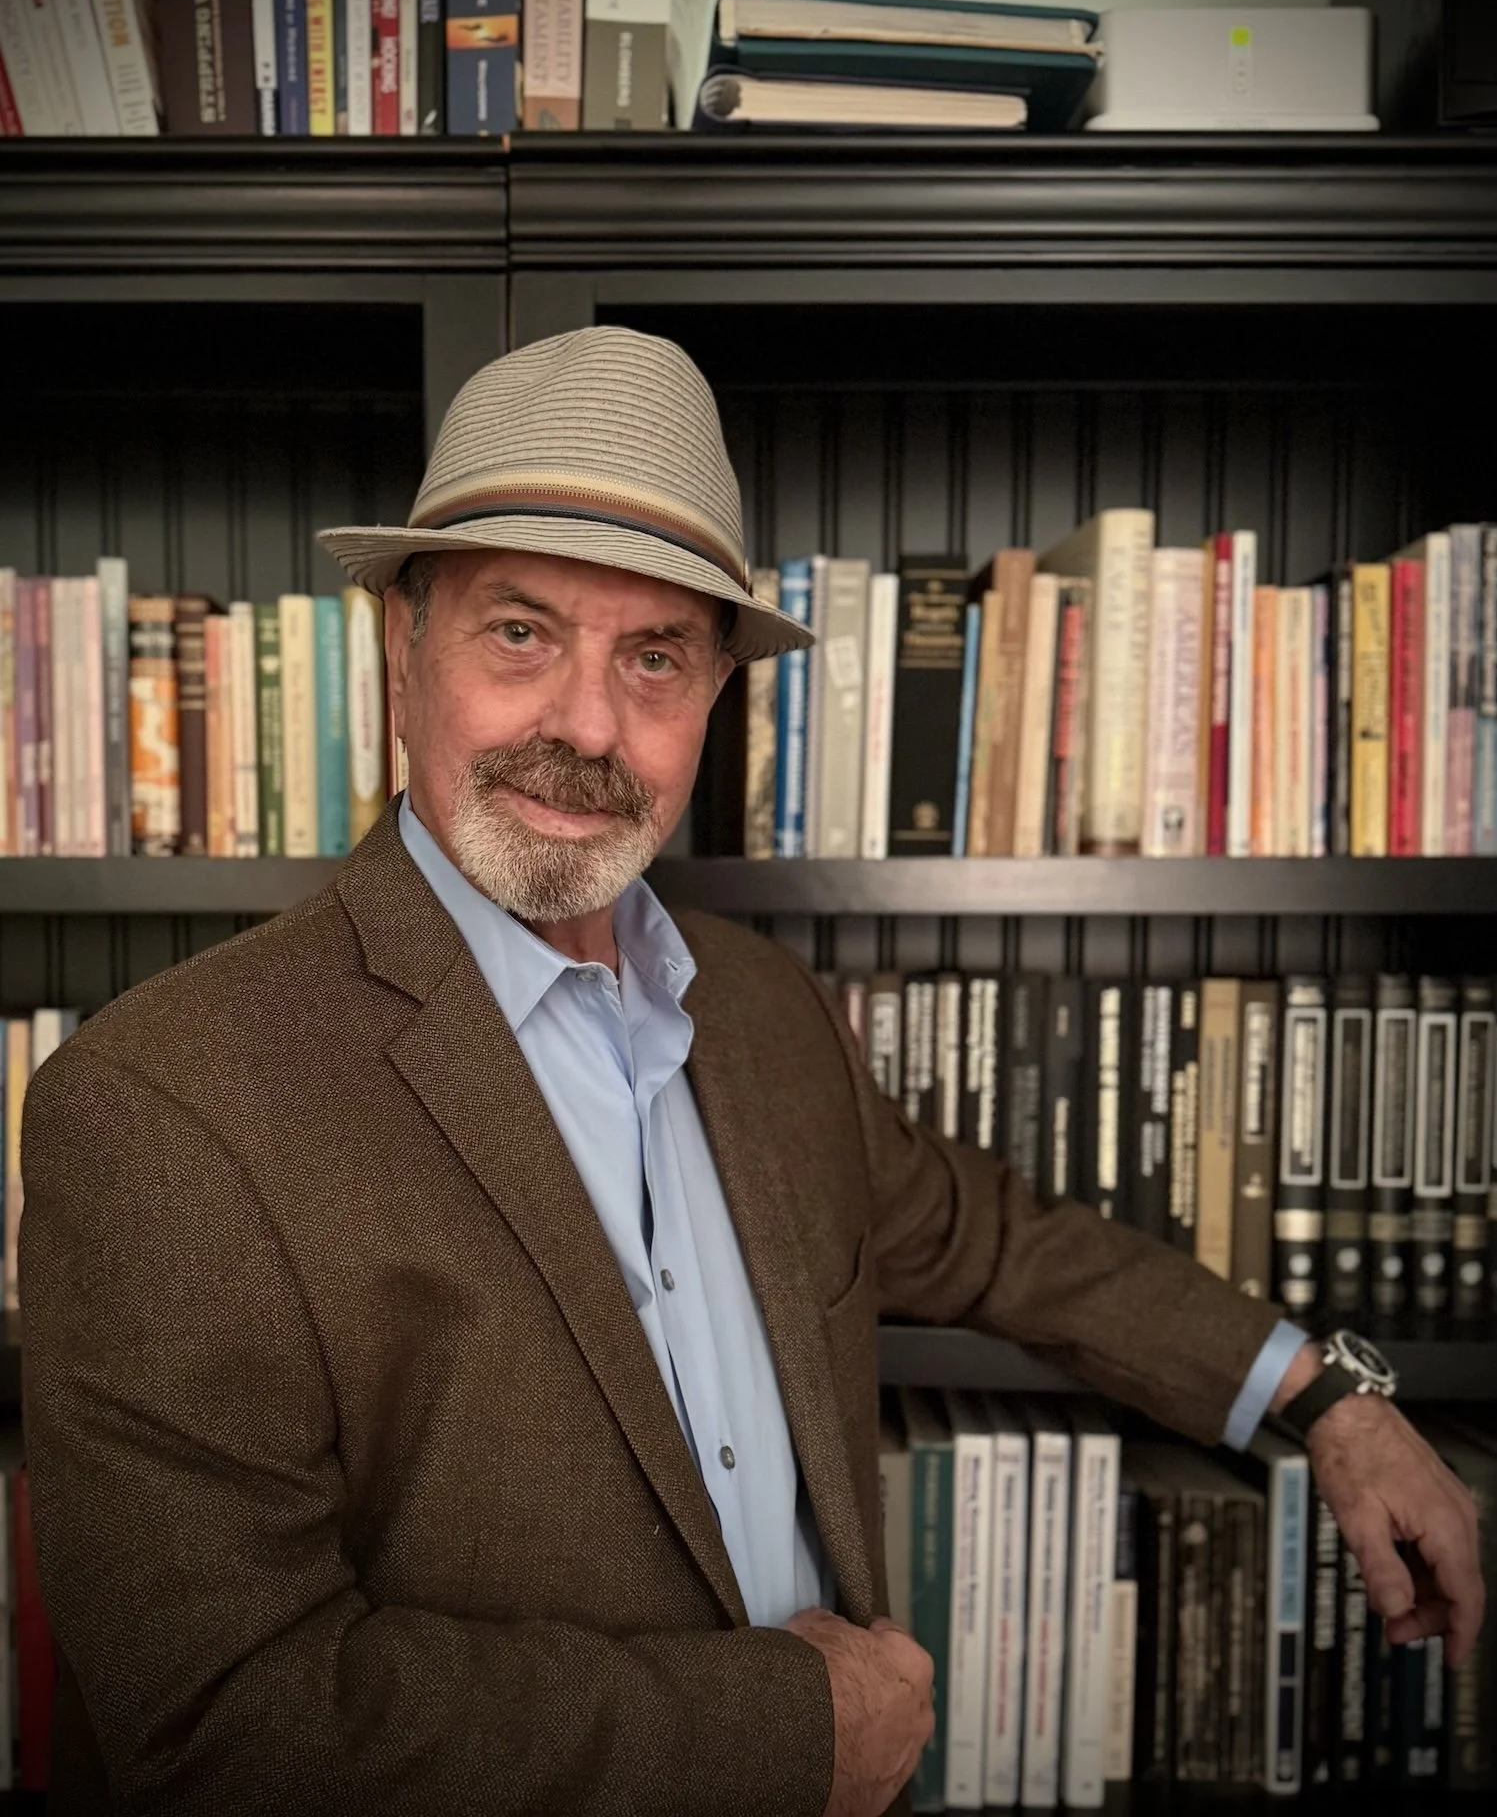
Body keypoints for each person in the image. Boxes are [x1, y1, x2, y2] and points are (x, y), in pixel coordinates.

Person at [20, 327, 1483, 1816]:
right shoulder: (162, 1109)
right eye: (520, 632)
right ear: (405, 649)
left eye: (654, 655)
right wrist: (787, 1734)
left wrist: (1328, 1400)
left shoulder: (764, 1014)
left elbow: (993, 1242)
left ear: (715, 693)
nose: (587, 724)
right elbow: (223, 1728)